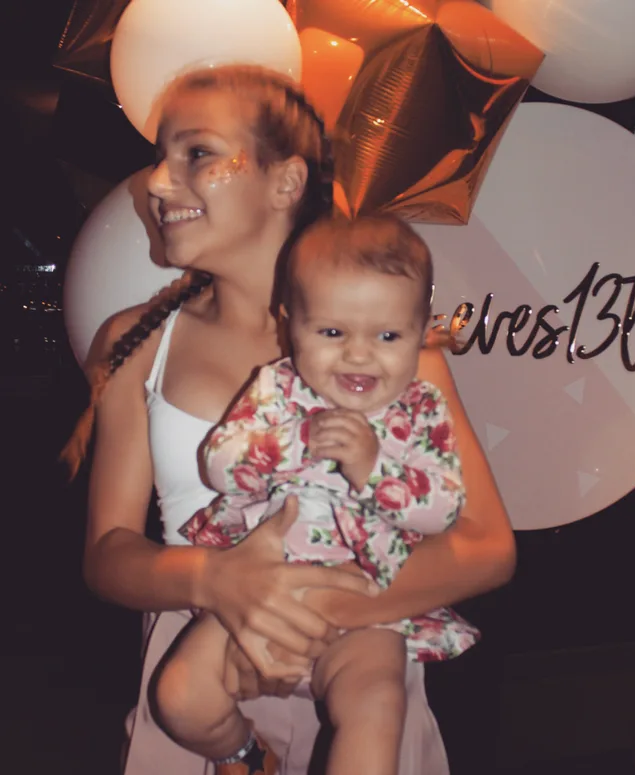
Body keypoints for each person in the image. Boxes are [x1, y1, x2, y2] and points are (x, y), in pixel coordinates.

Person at [63, 64, 515, 775]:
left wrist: (304, 612)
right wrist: (216, 583)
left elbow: (487, 546)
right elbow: (107, 554)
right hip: (199, 669)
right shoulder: (137, 343)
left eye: (198, 153)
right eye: (160, 156)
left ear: (285, 182)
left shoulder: (387, 355)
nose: (157, 182)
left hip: (364, 671)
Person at [155, 214, 481, 775]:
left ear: (421, 330)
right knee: (181, 696)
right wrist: (292, 442)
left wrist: (375, 469)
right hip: (261, 595)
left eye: (388, 336)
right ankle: (245, 754)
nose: (359, 355)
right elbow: (219, 466)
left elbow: (443, 510)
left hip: (367, 611)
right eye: (332, 333)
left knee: (377, 708)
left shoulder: (421, 408)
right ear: (290, 326)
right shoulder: (276, 389)